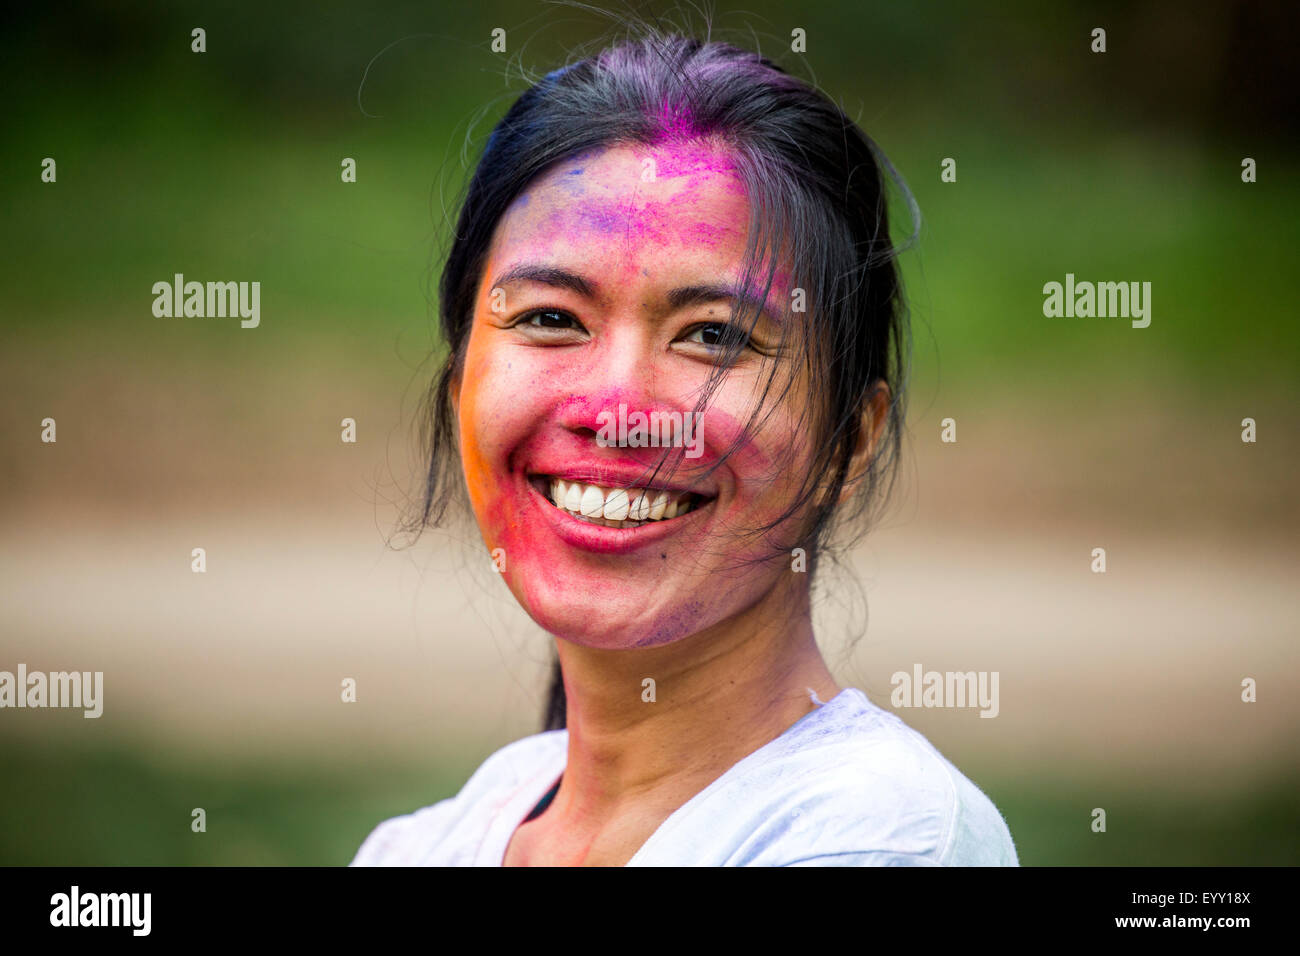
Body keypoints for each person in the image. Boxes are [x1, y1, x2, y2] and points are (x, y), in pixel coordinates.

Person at [353, 26, 1018, 866]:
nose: (620, 411)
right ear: (460, 388)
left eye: (713, 334)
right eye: (550, 318)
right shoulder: (421, 847)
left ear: (851, 440)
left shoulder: (880, 837)